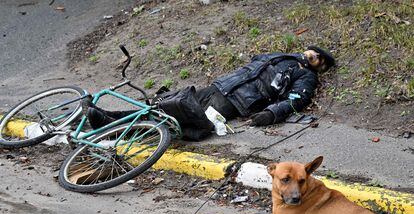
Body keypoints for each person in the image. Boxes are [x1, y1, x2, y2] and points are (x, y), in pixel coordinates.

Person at [86, 45, 335, 140]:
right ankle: (111, 117)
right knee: (166, 106)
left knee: (178, 119)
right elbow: (254, 63)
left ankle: (114, 128)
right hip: (220, 86)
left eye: (319, 58)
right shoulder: (283, 55)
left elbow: (296, 100)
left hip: (235, 102)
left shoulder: (306, 76)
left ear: (319, 66)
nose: (314, 54)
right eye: (314, 51)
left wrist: (270, 114)